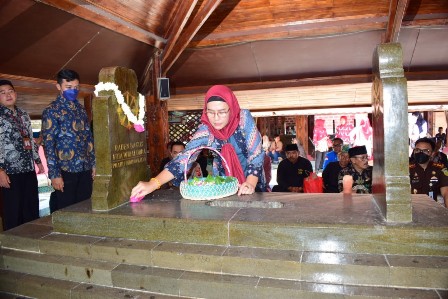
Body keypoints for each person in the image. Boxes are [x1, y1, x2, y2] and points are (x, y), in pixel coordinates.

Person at [131, 85, 266, 199]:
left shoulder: (243, 119)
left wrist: (250, 183)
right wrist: (153, 183)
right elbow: (185, 158)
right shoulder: (207, 128)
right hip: (225, 182)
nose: (216, 118)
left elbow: (256, 154)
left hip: (252, 179)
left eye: (222, 112)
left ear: (231, 108)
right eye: (211, 112)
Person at [41, 69, 96, 213]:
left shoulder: (81, 109)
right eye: (69, 87)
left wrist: (93, 164)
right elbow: (49, 144)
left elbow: (88, 138)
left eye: (76, 87)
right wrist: (54, 174)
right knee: (67, 211)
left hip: (84, 168)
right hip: (65, 170)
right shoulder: (52, 110)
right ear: (59, 87)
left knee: (85, 207)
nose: (73, 90)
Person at [0, 79, 45, 230]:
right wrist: (0, 171)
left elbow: (29, 139)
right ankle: (13, 246)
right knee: (13, 212)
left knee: (31, 208)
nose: (8, 95)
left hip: (28, 169)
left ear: (15, 94)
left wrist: (38, 161)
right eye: (3, 92)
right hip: (9, 172)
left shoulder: (23, 114)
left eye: (10, 91)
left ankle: (32, 240)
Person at [409, 137, 448, 207]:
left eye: (425, 151)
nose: (420, 153)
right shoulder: (407, 169)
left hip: (432, 209)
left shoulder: (439, 169)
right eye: (417, 150)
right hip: (411, 209)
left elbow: (446, 192)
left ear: (432, 154)